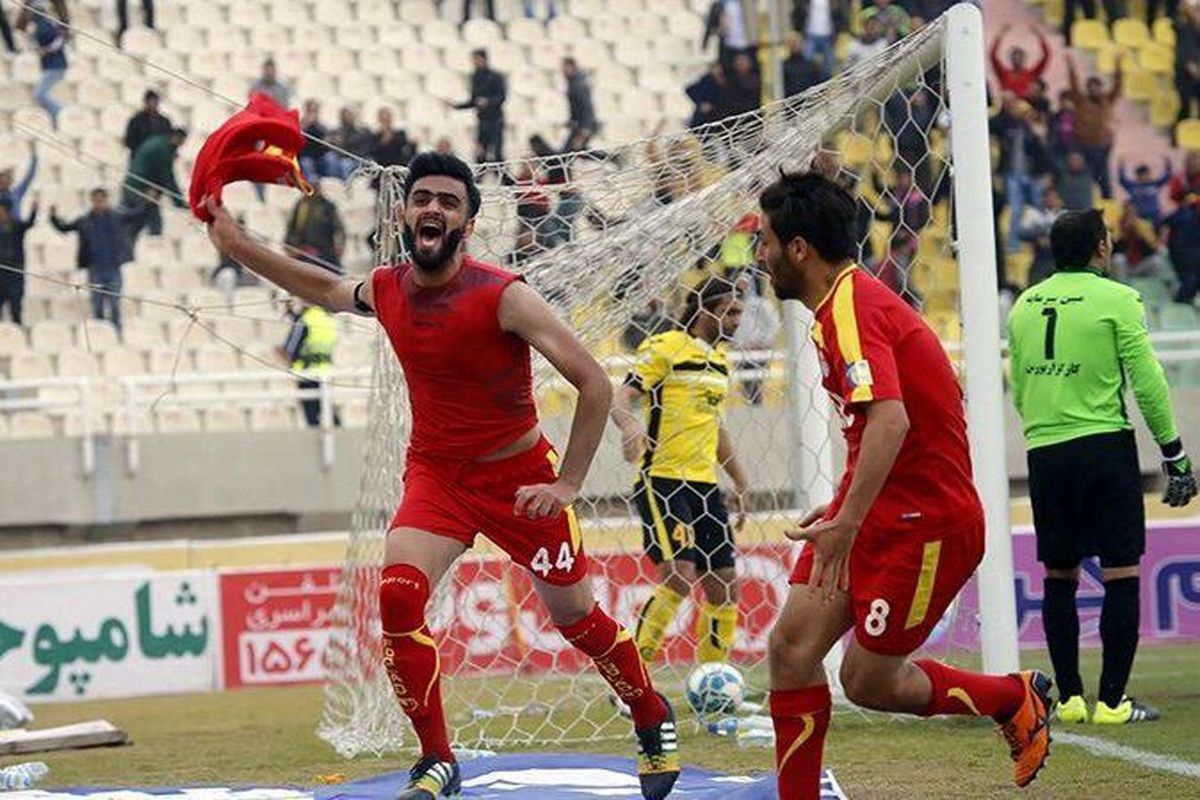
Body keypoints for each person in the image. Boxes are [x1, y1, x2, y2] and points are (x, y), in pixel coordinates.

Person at [203, 152, 681, 800]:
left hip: (520, 481)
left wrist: (567, 484)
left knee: (577, 620)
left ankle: (650, 715)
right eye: (423, 197)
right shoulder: (387, 287)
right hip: (436, 478)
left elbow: (594, 383)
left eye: (449, 202)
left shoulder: (505, 295)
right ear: (404, 212)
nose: (433, 208)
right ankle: (437, 761)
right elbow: (315, 287)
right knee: (398, 596)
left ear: (469, 224)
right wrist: (235, 242)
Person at [756, 172, 1051, 798]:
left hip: (927, 527)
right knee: (789, 649)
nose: (759, 255)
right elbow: (882, 425)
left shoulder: (853, 310)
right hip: (873, 514)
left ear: (799, 248)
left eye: (765, 242)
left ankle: (1011, 699)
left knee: (868, 682)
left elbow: (893, 416)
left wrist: (848, 520)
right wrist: (846, 506)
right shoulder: (841, 305)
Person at [1007, 209, 1197, 727]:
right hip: (1102, 445)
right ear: (1101, 248)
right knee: (1121, 572)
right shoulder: (1119, 299)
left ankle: (1068, 698)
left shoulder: (1025, 305)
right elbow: (1148, 382)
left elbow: (1020, 386)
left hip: (1045, 450)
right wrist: (1175, 454)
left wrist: (1048, 425)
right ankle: (1113, 702)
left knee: (1058, 575)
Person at [611, 276, 750, 666]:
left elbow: (716, 427)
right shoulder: (667, 347)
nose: (738, 320)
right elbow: (621, 398)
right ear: (705, 308)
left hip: (706, 488)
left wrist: (741, 480)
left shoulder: (720, 364)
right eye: (731, 311)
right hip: (664, 481)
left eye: (740, 312)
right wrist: (630, 426)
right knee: (679, 574)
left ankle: (714, 686)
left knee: (725, 585)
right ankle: (631, 681)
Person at [50, 189, 138, 330]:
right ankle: (100, 334)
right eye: (96, 200)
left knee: (115, 305)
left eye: (101, 200)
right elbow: (64, 228)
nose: (99, 203)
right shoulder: (84, 221)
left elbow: (136, 216)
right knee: (97, 304)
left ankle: (116, 333)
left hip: (113, 267)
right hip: (95, 269)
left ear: (106, 200)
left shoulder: (116, 217)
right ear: (92, 201)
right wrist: (53, 217)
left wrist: (146, 203)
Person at [1067, 55, 1122, 199]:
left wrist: (1118, 67)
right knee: (1087, 178)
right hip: (1084, 145)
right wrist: (1071, 67)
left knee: (1104, 178)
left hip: (1101, 147)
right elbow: (1073, 85)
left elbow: (1117, 86)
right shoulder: (1081, 101)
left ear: (1100, 88)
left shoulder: (1107, 100)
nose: (1093, 90)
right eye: (1090, 87)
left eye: (1096, 87)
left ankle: (1109, 206)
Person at [121, 127, 188, 246]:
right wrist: (180, 203)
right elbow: (168, 178)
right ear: (177, 138)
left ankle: (129, 250)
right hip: (139, 189)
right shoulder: (163, 149)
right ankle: (153, 249)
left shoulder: (159, 142)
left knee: (136, 224)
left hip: (134, 186)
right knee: (153, 222)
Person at [281, 300, 341, 428]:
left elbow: (290, 350)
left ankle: (319, 445)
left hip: (307, 373)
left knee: (312, 415)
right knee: (328, 410)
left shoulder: (304, 320)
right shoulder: (328, 319)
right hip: (326, 371)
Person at [451, 50, 506, 164]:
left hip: (495, 120)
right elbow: (474, 101)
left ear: (484, 59)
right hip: (482, 120)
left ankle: (505, 180)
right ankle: (478, 180)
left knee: (496, 153)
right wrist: (456, 106)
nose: (475, 62)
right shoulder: (475, 77)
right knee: (480, 153)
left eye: (477, 59)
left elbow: (501, 97)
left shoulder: (496, 77)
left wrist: (488, 102)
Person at [284, 184, 345, 271]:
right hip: (303, 249)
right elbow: (292, 226)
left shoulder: (327, 206)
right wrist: (290, 245)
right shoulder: (300, 205)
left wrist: (339, 245)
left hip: (325, 251)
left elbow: (339, 228)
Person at [1017, 185, 1065, 286]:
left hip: (1060, 259)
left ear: (1059, 199)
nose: (1051, 200)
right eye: (1048, 197)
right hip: (1040, 257)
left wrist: (1052, 238)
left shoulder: (1065, 215)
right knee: (1034, 283)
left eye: (1054, 197)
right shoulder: (1034, 214)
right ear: (1043, 199)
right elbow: (1021, 233)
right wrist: (1038, 236)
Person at [990, 23, 1051, 101]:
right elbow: (992, 56)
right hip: (1008, 106)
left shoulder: (1032, 74)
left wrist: (1040, 36)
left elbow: (1046, 56)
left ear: (1024, 59)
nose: (1017, 60)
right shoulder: (1003, 73)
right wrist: (999, 35)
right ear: (1011, 59)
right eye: (1014, 58)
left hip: (1027, 107)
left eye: (1020, 57)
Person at [0, 197, 36, 325]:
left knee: (15, 308)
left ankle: (17, 334)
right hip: (0, 273)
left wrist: (33, 212)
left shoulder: (16, 225)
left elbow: (29, 224)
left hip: (15, 272)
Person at [32, 12, 66, 129]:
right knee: (42, 95)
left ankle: (61, 111)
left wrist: (46, 50)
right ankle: (56, 119)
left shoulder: (44, 27)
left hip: (54, 66)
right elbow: (60, 38)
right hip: (52, 65)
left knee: (40, 95)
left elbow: (59, 40)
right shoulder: (49, 24)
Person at [1117, 158, 1172, 226]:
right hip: (1139, 216)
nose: (1144, 177)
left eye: (1145, 174)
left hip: (1154, 216)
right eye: (1141, 175)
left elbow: (1167, 177)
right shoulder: (1133, 186)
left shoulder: (1154, 184)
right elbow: (1122, 180)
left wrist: (1168, 164)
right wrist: (1121, 167)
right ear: (1137, 176)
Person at [123, 90, 173, 158]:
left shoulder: (164, 121)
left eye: (155, 102)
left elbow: (170, 140)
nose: (153, 104)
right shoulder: (136, 121)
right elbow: (128, 141)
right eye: (151, 101)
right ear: (145, 102)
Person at [561, 57, 597, 152]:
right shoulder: (572, 83)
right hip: (578, 125)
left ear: (573, 67)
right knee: (576, 151)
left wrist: (586, 127)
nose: (563, 71)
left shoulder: (578, 85)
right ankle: (612, 158)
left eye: (565, 68)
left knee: (571, 152)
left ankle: (611, 158)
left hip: (582, 125)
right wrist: (571, 120)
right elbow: (575, 107)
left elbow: (585, 106)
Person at [0, 143, 37, 218]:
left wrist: (34, 156)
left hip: (16, 227)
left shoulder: (16, 193)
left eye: (9, 178)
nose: (6, 180)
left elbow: (29, 177)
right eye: (4, 177)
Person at [782, 32, 824, 98]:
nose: (794, 45)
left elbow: (819, 85)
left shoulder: (811, 65)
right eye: (791, 42)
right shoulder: (783, 66)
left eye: (796, 42)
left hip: (809, 102)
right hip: (792, 103)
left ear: (802, 44)